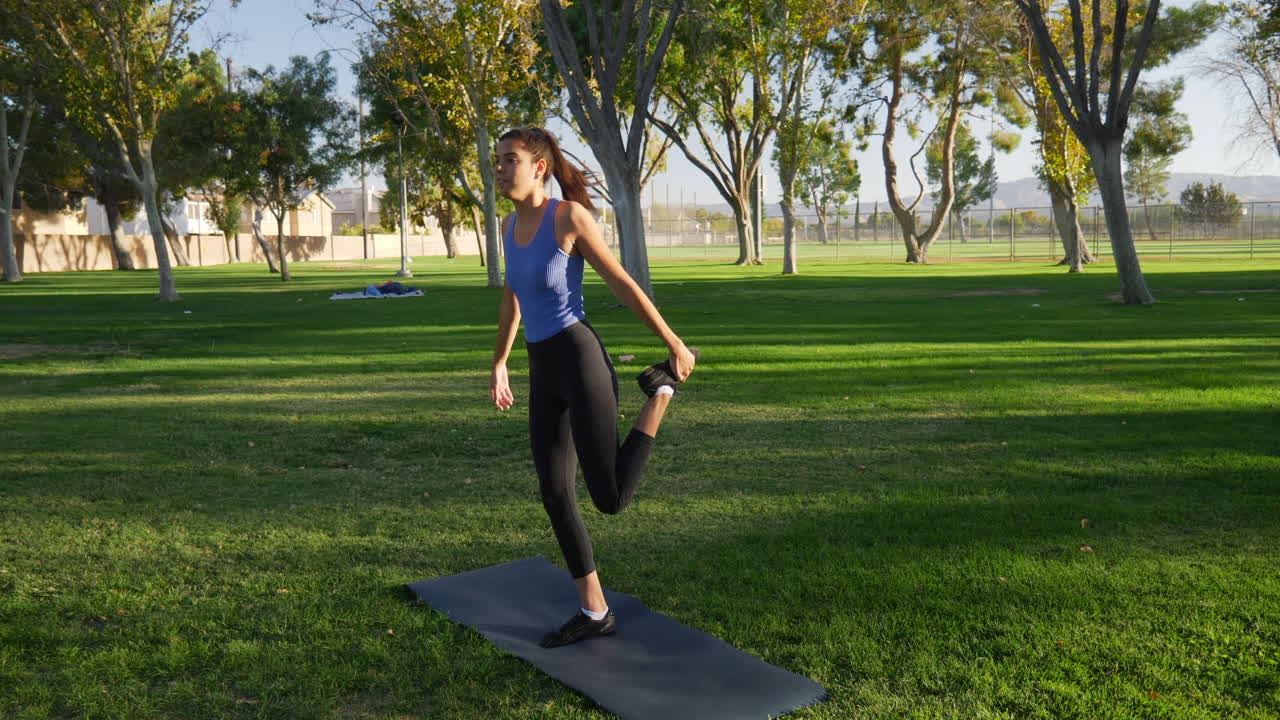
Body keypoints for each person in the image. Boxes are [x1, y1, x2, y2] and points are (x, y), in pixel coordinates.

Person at [489, 127, 697, 649]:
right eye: (496, 161)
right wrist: (499, 363)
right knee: (555, 492)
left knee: (610, 497)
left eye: (508, 160)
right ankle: (594, 609)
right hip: (542, 367)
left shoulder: (569, 218)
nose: (499, 169)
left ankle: (661, 393)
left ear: (539, 166)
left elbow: (623, 283)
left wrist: (673, 341)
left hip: (580, 361)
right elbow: (513, 297)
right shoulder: (509, 226)